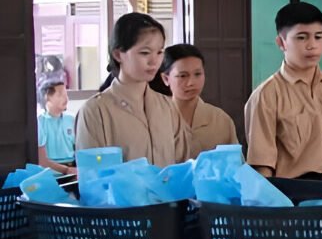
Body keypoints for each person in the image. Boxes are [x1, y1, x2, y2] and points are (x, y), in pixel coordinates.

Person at [245, 2, 322, 181]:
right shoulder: (267, 95)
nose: (312, 45)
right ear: (281, 42)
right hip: (293, 196)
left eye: (318, 37)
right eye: (302, 38)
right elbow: (262, 166)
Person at [75, 13, 191, 167]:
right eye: (145, 53)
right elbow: (93, 178)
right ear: (118, 54)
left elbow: (182, 166)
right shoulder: (95, 111)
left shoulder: (167, 107)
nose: (154, 61)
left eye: (159, 52)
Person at [160, 44, 239, 157]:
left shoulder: (221, 120)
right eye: (183, 76)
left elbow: (234, 165)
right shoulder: (156, 120)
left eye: (197, 74)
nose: (191, 82)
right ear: (166, 79)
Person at [36, 75, 76, 176]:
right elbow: (42, 161)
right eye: (60, 95)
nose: (66, 98)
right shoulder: (40, 122)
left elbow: (79, 150)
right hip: (51, 171)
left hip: (73, 169)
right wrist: (66, 170)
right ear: (47, 98)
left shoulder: (71, 119)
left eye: (66, 94)